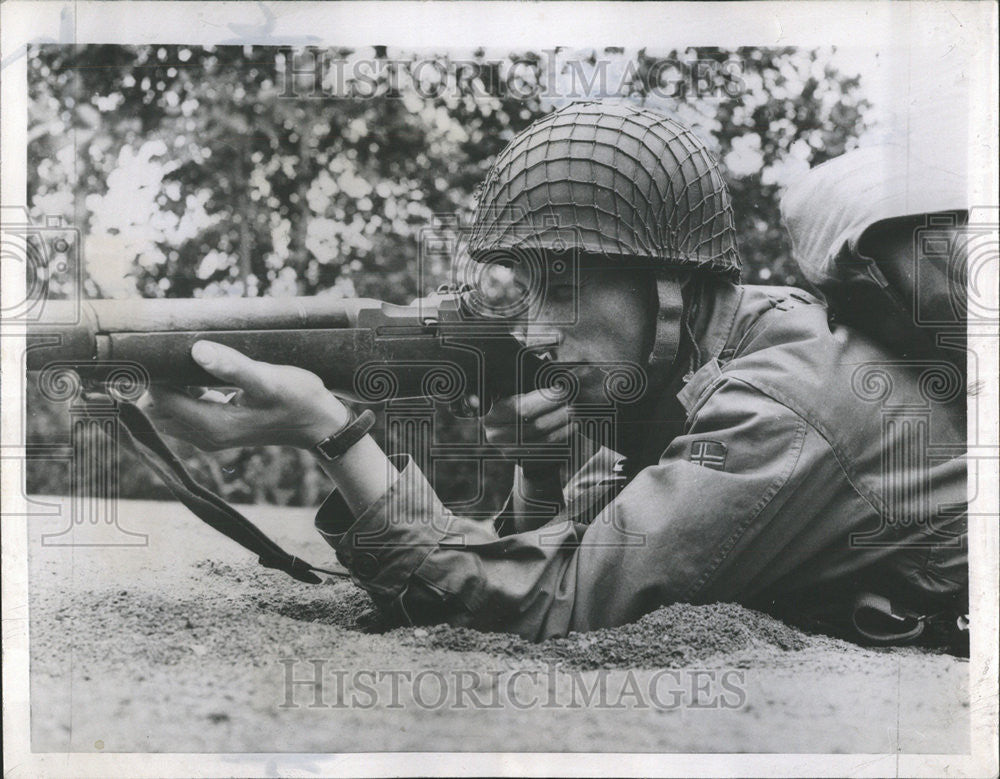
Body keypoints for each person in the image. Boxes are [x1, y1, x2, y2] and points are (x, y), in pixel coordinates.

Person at [144, 102, 968, 649]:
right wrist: (540, 477)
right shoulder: (721, 361)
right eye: (530, 288)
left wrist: (331, 430)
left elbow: (552, 609)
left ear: (669, 283)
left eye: (564, 286)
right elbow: (554, 553)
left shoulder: (778, 404)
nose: (536, 330)